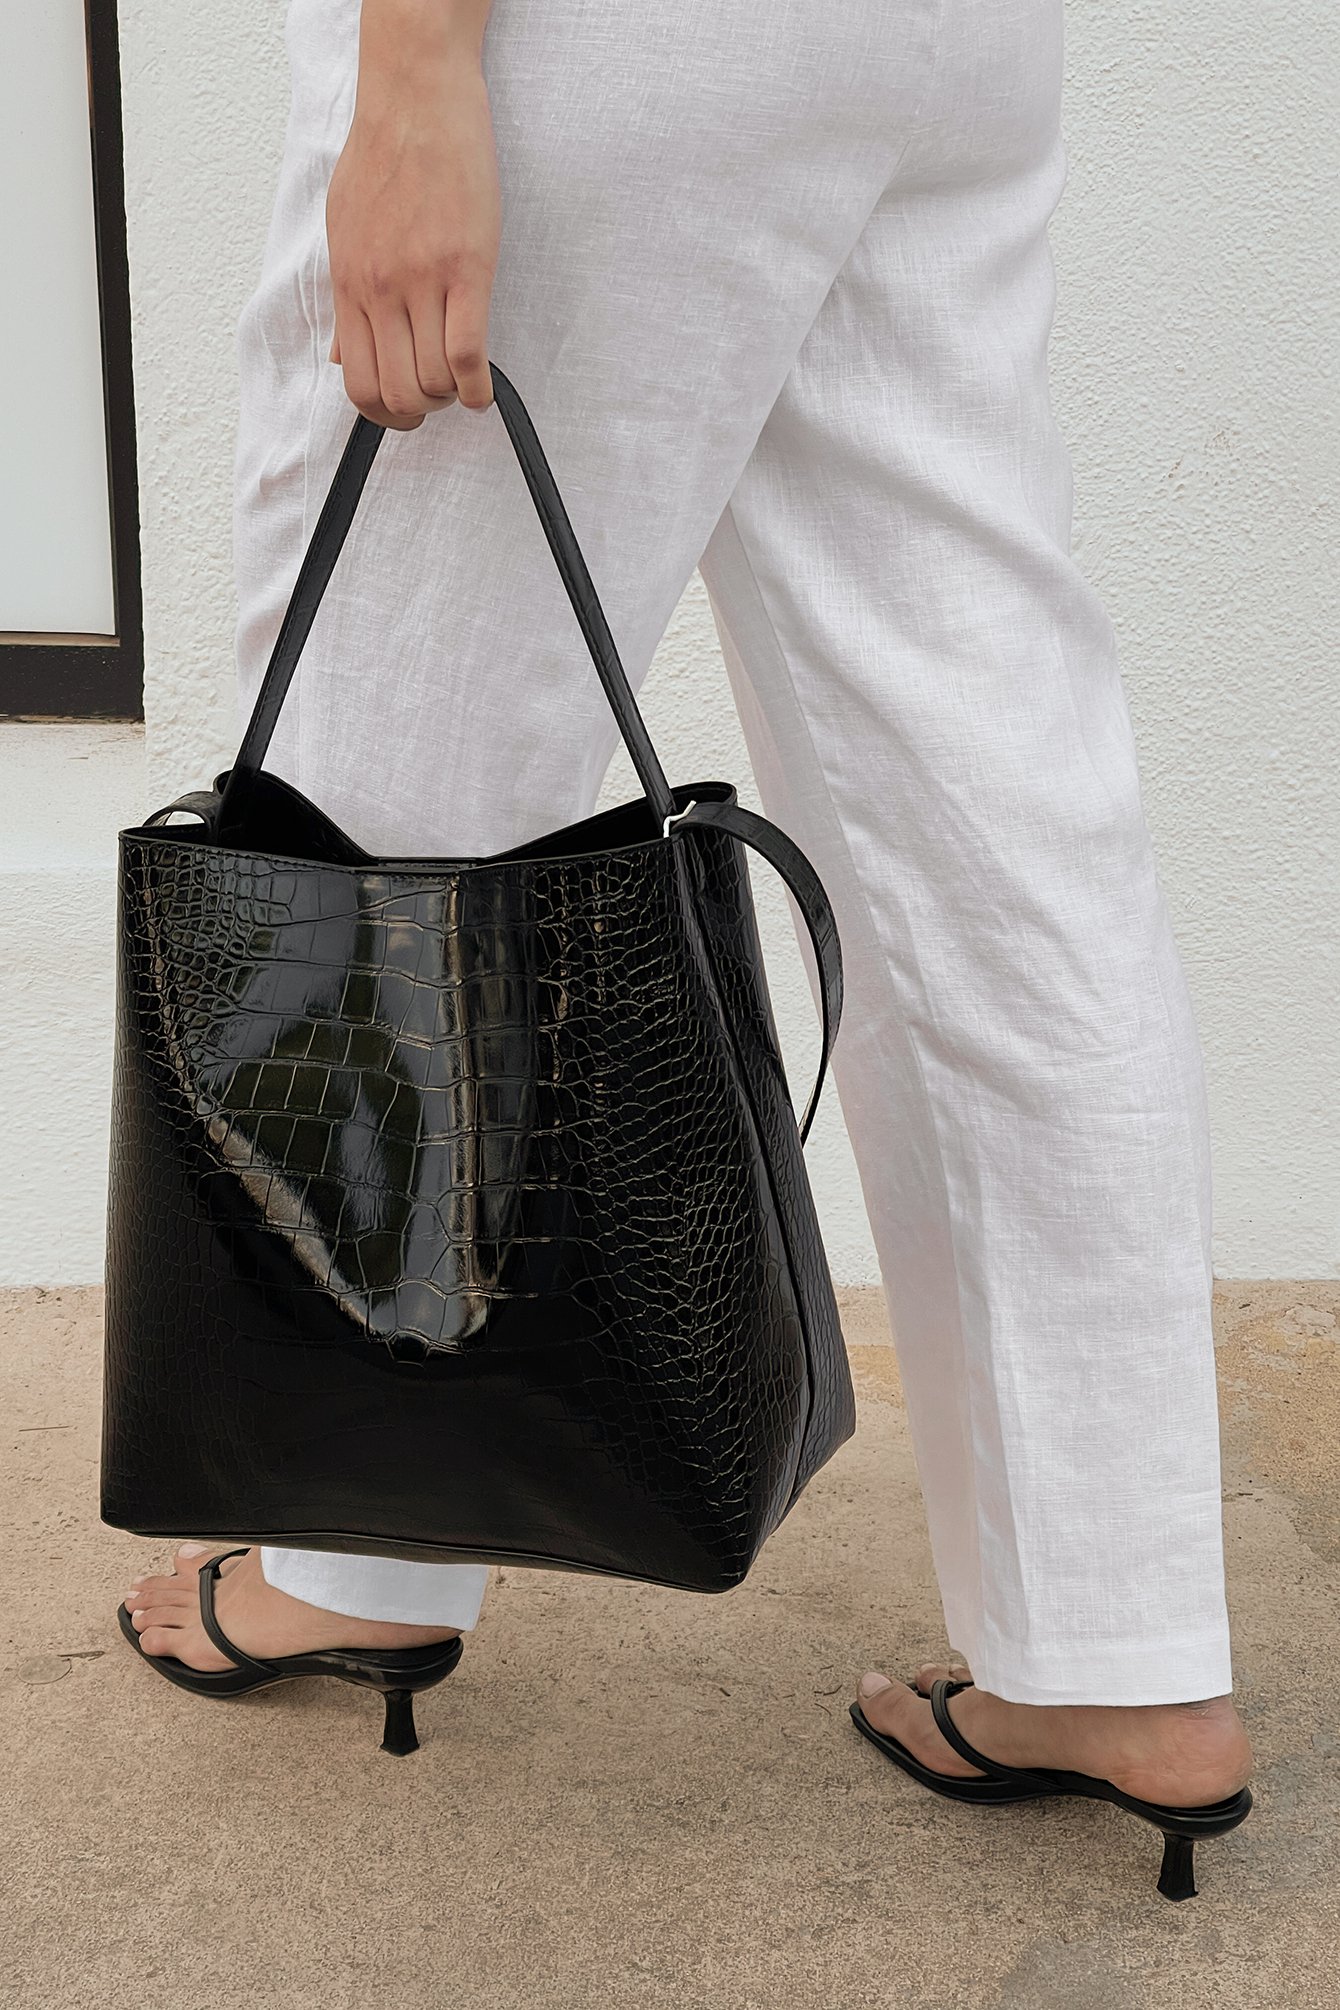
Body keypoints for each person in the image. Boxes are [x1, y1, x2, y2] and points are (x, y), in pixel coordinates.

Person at [122, 0, 1253, 1888]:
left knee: (382, 790)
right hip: (943, 46)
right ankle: (1118, 1649)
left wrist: (415, 64)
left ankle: (361, 1547)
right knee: (992, 817)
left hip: (598, 44)